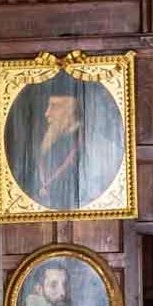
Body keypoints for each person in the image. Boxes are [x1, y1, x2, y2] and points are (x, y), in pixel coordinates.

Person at [8, 78, 115, 211]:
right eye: (48, 106)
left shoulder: (102, 147)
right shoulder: (43, 143)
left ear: (72, 110)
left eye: (55, 106)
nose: (47, 113)